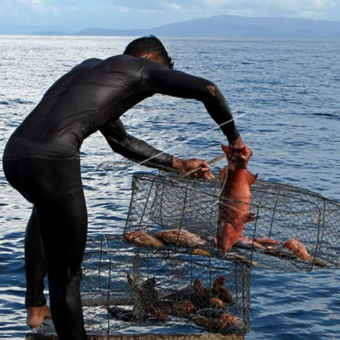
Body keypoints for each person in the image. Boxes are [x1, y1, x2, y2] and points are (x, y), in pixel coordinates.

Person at [2, 36, 252, 339]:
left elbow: (122, 142)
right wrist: (235, 140)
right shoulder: (142, 68)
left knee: (43, 212)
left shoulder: (92, 72)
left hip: (15, 155)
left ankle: (35, 306)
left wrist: (178, 164)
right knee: (67, 274)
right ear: (148, 58)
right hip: (54, 159)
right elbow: (207, 89)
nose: (148, 94)